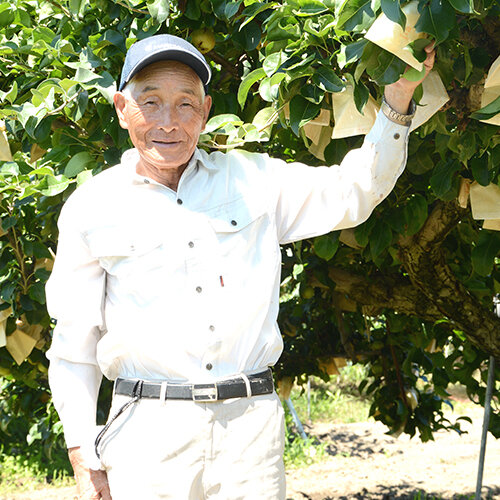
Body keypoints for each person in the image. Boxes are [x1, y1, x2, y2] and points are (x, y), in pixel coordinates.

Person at [46, 34, 435, 500]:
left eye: (185, 103)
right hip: (147, 433)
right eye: (150, 102)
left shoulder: (253, 180)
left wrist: (398, 99)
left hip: (249, 433)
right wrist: (82, 456)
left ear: (206, 109)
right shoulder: (93, 205)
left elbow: (356, 190)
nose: (168, 122)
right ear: (121, 107)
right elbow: (74, 343)